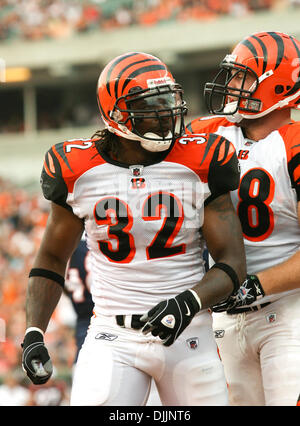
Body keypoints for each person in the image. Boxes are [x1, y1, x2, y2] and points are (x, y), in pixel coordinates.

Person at [21, 51, 246, 406]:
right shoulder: (76, 170)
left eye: (168, 100)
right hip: (113, 333)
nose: (165, 113)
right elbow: (50, 257)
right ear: (116, 114)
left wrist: (189, 302)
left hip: (190, 332)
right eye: (150, 105)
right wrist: (34, 331)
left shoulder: (203, 161)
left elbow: (232, 261)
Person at [187, 31, 300, 406]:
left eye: (243, 77)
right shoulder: (208, 134)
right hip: (224, 318)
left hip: (287, 311)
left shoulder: (295, 145)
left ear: (279, 83)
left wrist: (253, 285)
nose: (232, 85)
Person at [64, 235, 94, 363]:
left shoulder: (68, 248)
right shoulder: (92, 247)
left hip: (82, 316)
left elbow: (63, 283)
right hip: (104, 312)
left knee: (82, 364)